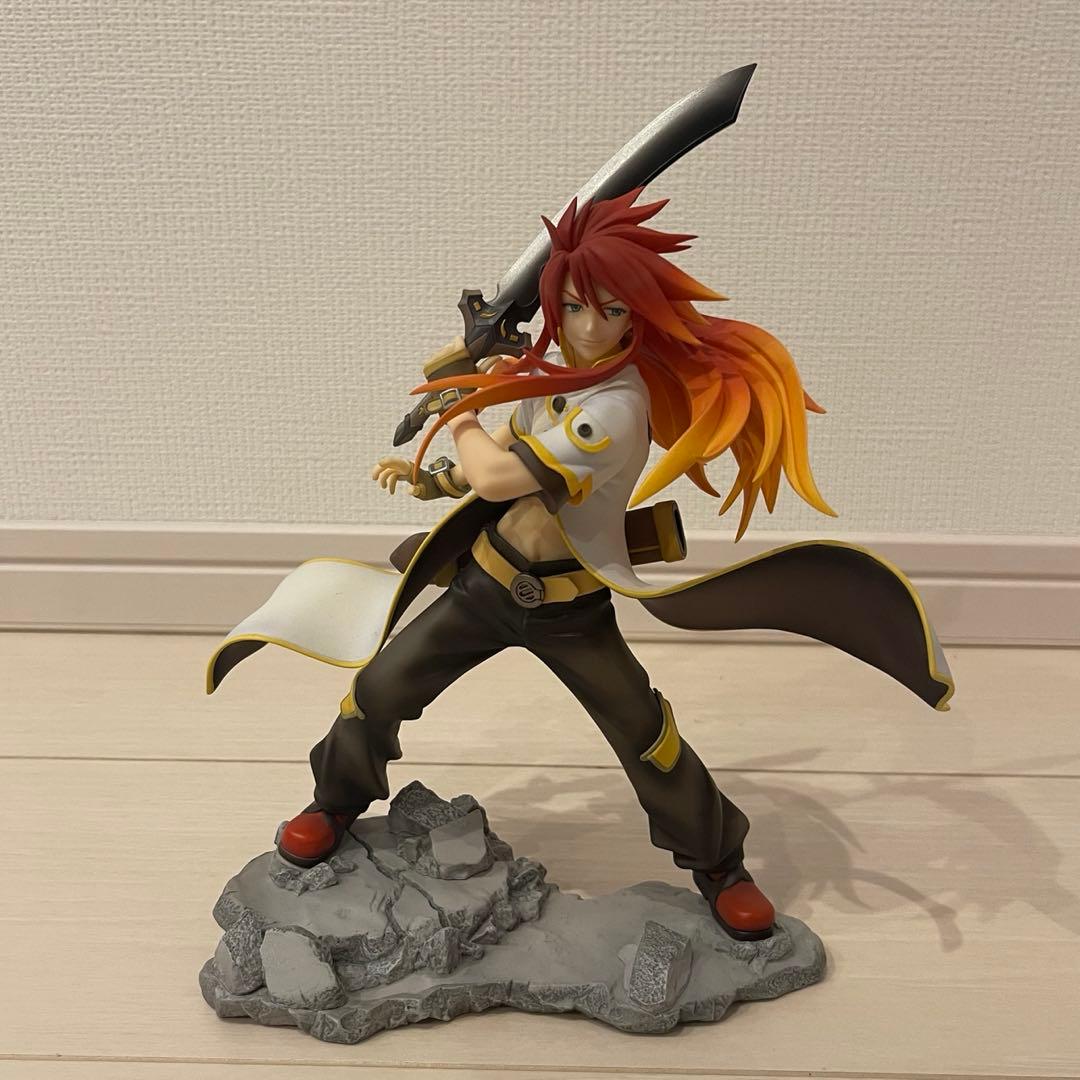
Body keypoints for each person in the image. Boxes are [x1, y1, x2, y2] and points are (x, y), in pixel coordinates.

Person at [207, 190, 953, 943]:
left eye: (613, 310)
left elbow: (501, 474)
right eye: (572, 307)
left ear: (638, 316)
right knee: (377, 689)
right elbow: (489, 468)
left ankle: (720, 865)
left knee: (647, 735)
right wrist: (432, 477)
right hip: (486, 584)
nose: (590, 328)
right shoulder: (548, 382)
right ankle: (335, 801)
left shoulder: (617, 406)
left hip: (571, 608)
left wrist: (460, 408)